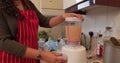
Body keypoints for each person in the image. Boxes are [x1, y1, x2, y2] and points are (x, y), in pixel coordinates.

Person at [0, 0, 84, 63]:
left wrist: (62, 17)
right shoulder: (1, 6)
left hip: (32, 59)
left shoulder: (28, 4)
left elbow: (45, 22)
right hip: (12, 59)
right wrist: (42, 55)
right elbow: (3, 42)